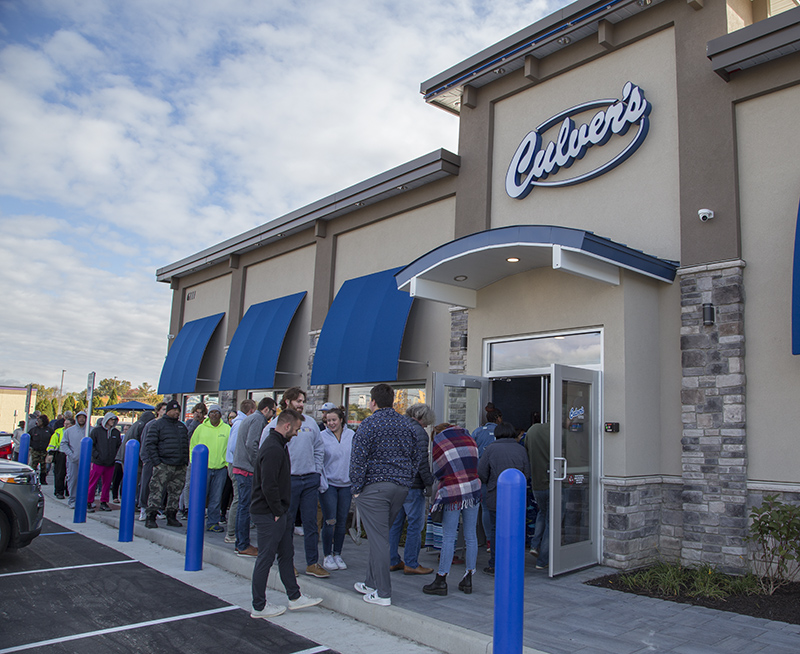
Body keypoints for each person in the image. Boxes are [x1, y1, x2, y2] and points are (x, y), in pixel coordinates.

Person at [350, 383, 419, 606]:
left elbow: (358, 459)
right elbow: (416, 456)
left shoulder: (368, 424)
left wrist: (357, 489)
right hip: (400, 487)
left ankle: (383, 593)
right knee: (380, 537)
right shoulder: (406, 424)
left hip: (374, 488)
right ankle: (371, 583)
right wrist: (407, 478)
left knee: (379, 540)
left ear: (373, 402)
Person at [250, 408, 323, 618]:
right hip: (269, 512)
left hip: (278, 510)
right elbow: (268, 484)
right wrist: (276, 510)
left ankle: (295, 597)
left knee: (286, 553)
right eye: (297, 429)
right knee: (266, 557)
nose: (297, 434)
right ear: (287, 426)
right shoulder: (273, 448)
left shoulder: (279, 445)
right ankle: (259, 605)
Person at [264, 387, 327, 578]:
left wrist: (316, 471)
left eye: (302, 401)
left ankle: (312, 563)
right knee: (286, 524)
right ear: (287, 401)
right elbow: (265, 453)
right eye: (298, 401)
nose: (301, 404)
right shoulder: (275, 425)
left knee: (310, 523)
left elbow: (319, 448)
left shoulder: (311, 424)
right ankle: (286, 562)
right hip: (288, 482)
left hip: (309, 479)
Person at [423, 423, 481, 596]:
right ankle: (469, 577)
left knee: (449, 536)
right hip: (473, 489)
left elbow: (438, 470)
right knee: (471, 535)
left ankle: (441, 579)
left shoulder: (440, 442)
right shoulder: (469, 438)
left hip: (453, 491)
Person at [389, 403, 436, 576]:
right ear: (423, 417)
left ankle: (392, 560)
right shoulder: (420, 434)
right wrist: (429, 482)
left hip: (395, 484)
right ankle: (411, 563)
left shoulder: (396, 427)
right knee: (415, 525)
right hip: (413, 485)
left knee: (395, 524)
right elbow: (421, 462)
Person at [477, 422, 530, 574]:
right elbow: (526, 474)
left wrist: (490, 481)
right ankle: (515, 563)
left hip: (496, 494)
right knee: (515, 529)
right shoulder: (521, 449)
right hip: (517, 497)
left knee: (496, 530)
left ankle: (495, 564)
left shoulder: (491, 448)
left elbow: (481, 472)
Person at [232, 397, 275, 556]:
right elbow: (252, 444)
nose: (273, 415)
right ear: (266, 409)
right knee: (245, 507)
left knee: (243, 506)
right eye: (273, 411)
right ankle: (243, 544)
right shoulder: (258, 420)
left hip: (241, 468)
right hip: (247, 470)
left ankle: (240, 543)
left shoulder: (250, 419)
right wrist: (260, 464)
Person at [144, 399, 190, 529]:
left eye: (178, 410)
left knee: (175, 493)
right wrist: (157, 462)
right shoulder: (157, 425)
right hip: (163, 464)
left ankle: (171, 516)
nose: (176, 412)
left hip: (179, 466)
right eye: (174, 410)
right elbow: (150, 444)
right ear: (168, 411)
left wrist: (185, 461)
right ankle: (151, 516)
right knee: (156, 491)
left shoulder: (181, 426)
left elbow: (185, 445)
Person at [319, 407, 354, 571]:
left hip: (346, 485)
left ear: (341, 420)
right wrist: (322, 482)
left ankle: (337, 553)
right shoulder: (321, 437)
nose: (331, 423)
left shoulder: (351, 436)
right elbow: (318, 460)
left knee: (341, 522)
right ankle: (327, 555)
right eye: (328, 420)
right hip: (329, 485)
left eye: (334, 420)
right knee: (330, 520)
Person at [189, 404, 231, 532]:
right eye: (211, 412)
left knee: (216, 498)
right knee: (200, 496)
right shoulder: (201, 428)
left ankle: (213, 522)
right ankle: (195, 523)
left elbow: (230, 447)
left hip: (220, 469)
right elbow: (193, 446)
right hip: (203, 469)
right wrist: (194, 464)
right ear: (208, 415)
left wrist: (226, 465)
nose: (214, 415)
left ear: (220, 415)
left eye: (216, 412)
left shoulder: (227, 429)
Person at [224, 399, 256, 544]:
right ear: (250, 411)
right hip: (236, 465)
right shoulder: (240, 424)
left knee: (242, 499)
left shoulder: (241, 422)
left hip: (237, 464)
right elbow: (233, 447)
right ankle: (231, 532)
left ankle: (238, 529)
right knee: (239, 499)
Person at [525, 421, 550, 571]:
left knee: (543, 513)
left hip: (537, 483)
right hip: (554, 482)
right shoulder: (558, 432)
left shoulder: (532, 429)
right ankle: (543, 560)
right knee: (551, 521)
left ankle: (535, 545)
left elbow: (526, 450)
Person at [87, 413, 122, 512]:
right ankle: (88, 501)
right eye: (111, 419)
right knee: (92, 482)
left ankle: (104, 502)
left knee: (107, 484)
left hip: (110, 463)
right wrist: (96, 455)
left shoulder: (116, 432)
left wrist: (115, 457)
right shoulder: (96, 431)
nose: (113, 421)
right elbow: (91, 444)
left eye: (114, 420)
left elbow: (118, 446)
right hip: (98, 462)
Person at [138, 402, 167, 521]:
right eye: (163, 409)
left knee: (162, 485)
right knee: (146, 484)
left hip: (163, 459)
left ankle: (158, 508)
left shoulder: (167, 425)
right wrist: (145, 458)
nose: (165, 411)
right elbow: (144, 442)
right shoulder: (150, 425)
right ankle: (143, 508)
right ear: (158, 411)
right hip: (150, 459)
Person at [61, 411, 88, 507]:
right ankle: (72, 500)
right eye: (79, 417)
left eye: (83, 417)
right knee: (73, 479)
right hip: (73, 460)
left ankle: (85, 500)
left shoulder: (90, 430)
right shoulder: (69, 431)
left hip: (87, 461)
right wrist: (71, 455)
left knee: (87, 480)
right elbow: (63, 444)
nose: (81, 419)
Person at [48, 417, 70, 499]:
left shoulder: (74, 432)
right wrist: (51, 453)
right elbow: (52, 443)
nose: (66, 426)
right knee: (59, 474)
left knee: (70, 475)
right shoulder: (59, 432)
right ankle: (59, 492)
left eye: (68, 424)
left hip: (71, 455)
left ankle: (68, 491)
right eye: (65, 424)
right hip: (60, 454)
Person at [28, 414, 52, 485]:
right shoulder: (33, 430)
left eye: (40, 421)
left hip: (45, 451)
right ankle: (31, 479)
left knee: (44, 467)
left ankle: (43, 480)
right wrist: (31, 446)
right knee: (33, 466)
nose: (38, 422)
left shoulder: (49, 430)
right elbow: (29, 438)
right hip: (35, 451)